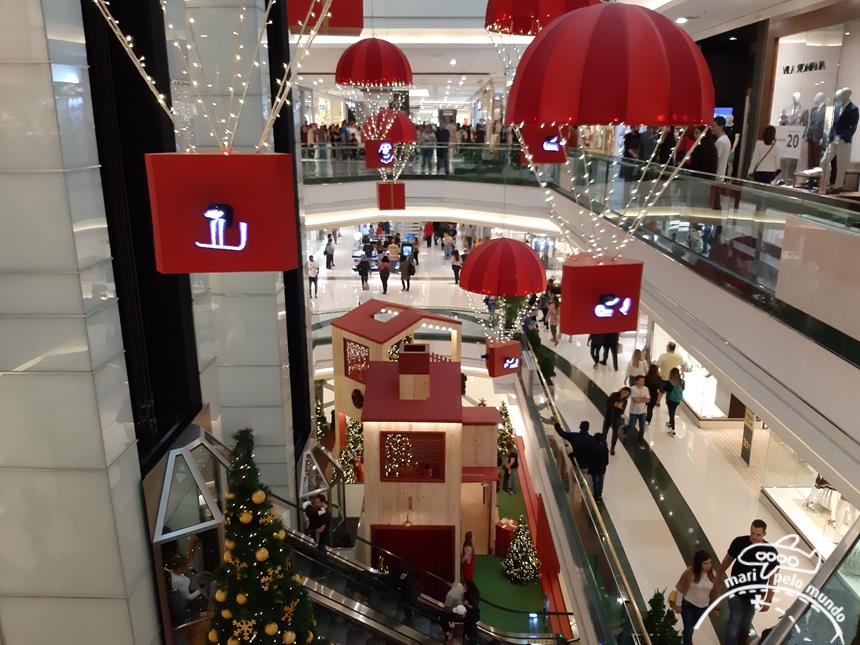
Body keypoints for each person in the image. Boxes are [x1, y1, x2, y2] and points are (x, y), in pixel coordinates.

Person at [716, 520, 779, 645]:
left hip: (756, 595)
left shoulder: (770, 552)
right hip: (737, 592)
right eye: (752, 533)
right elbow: (727, 560)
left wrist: (769, 599)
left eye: (758, 535)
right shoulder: (739, 542)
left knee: (746, 624)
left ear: (764, 534)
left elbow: (773, 578)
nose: (754, 537)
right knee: (734, 622)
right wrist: (718, 576)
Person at [674, 550, 718, 645]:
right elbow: (681, 588)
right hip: (688, 604)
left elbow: (714, 593)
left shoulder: (712, 575)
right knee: (689, 629)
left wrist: (713, 608)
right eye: (706, 563)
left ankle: (686, 637)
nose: (709, 565)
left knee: (691, 627)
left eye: (710, 562)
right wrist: (678, 604)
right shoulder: (690, 573)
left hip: (702, 607)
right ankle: (687, 641)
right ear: (699, 563)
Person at [602, 387, 630, 456]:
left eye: (626, 394)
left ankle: (612, 447)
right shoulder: (614, 395)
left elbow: (622, 411)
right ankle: (603, 444)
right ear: (621, 391)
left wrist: (617, 406)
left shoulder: (625, 401)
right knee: (605, 431)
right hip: (608, 416)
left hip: (616, 418)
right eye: (624, 392)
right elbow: (608, 403)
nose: (624, 394)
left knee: (615, 433)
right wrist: (616, 405)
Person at [626, 374, 650, 450]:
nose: (643, 382)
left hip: (643, 412)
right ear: (636, 381)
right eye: (641, 381)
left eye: (643, 381)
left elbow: (648, 400)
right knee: (631, 426)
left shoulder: (646, 389)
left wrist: (640, 399)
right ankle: (624, 429)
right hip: (634, 411)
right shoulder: (632, 389)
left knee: (642, 428)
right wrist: (643, 399)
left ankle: (640, 442)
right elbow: (635, 400)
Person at [664, 367, 685, 435]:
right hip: (678, 399)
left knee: (671, 413)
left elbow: (665, 390)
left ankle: (673, 429)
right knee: (673, 411)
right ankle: (670, 423)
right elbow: (683, 389)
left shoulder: (670, 382)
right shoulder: (682, 381)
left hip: (671, 399)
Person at [589, 434, 610, 502]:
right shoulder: (605, 448)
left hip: (595, 469)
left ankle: (596, 496)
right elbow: (606, 461)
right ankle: (600, 494)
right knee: (601, 481)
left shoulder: (592, 448)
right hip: (602, 468)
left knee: (596, 482)